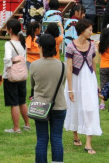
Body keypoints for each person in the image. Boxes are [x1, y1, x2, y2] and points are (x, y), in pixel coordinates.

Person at [64, 18, 101, 153]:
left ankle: (88, 143)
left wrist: (96, 83)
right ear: (82, 30)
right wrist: (70, 89)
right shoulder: (70, 46)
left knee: (90, 108)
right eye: (90, 30)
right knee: (75, 106)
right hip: (75, 79)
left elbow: (93, 64)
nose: (91, 32)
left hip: (89, 79)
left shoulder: (92, 45)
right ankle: (75, 135)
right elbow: (69, 69)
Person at [30, 33, 66, 163]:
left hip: (40, 105)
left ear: (41, 48)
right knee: (56, 138)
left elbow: (33, 85)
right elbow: (62, 84)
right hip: (59, 105)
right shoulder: (63, 65)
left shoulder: (34, 65)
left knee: (42, 138)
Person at [2, 18, 30, 134]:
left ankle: (16, 127)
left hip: (11, 76)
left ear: (10, 30)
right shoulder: (22, 42)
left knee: (13, 103)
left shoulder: (9, 44)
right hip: (22, 74)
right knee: (22, 101)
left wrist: (8, 65)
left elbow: (8, 58)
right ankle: (27, 124)